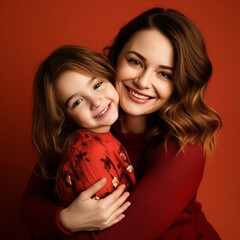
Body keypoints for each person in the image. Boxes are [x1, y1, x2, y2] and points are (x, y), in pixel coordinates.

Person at [20, 8, 222, 240]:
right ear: (116, 57)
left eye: (164, 74)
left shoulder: (184, 148)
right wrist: (66, 219)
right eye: (135, 61)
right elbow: (29, 205)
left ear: (181, 83)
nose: (143, 82)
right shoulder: (85, 118)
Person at [32, 45, 135, 213]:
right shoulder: (90, 153)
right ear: (66, 117)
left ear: (108, 76)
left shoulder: (104, 134)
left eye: (97, 85)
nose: (96, 101)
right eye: (77, 102)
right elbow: (112, 221)